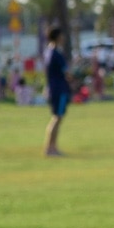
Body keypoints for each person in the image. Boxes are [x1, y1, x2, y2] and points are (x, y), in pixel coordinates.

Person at [43, 26, 70, 157]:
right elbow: (67, 73)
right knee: (57, 118)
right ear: (58, 37)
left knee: (56, 118)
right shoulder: (57, 54)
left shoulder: (48, 52)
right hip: (59, 89)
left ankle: (51, 147)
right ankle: (51, 148)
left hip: (54, 88)